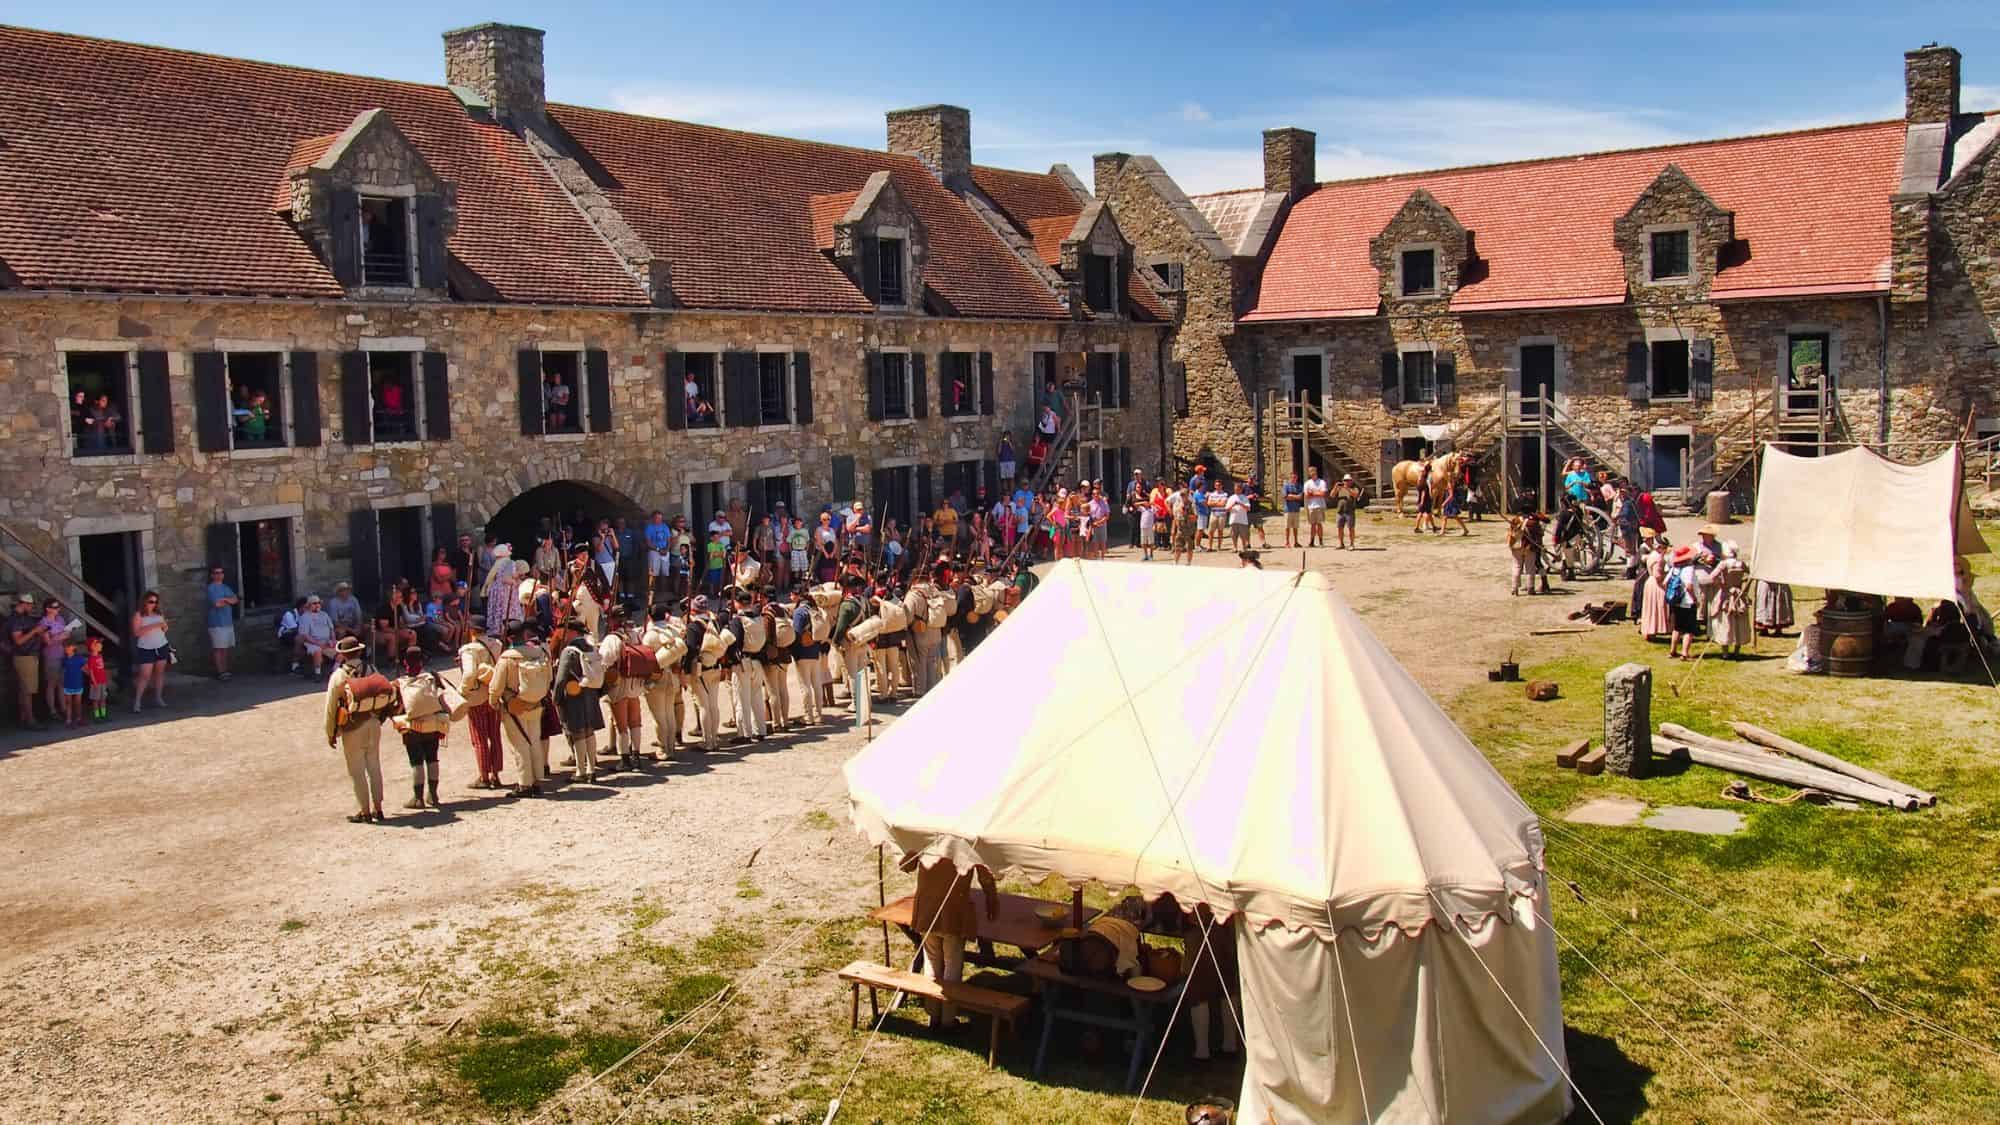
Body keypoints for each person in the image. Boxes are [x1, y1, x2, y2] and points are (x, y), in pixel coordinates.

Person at [900, 853, 999, 1029]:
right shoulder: (967, 842)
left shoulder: (928, 837)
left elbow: (906, 865)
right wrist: (992, 898)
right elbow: (985, 875)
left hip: (927, 911)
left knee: (932, 961)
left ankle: (934, 1015)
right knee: (952, 964)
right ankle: (947, 1021)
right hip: (953, 912)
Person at [324, 636, 387, 823]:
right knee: (374, 766)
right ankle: (379, 807)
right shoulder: (371, 669)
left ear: (343, 655)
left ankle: (364, 810)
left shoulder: (338, 676)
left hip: (352, 726)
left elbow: (330, 707)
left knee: (357, 770)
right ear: (359, 651)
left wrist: (330, 732)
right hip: (373, 722)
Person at [492, 621, 550, 797]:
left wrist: (494, 702)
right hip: (536, 702)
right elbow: (549, 677)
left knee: (519, 745)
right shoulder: (540, 653)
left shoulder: (508, 658)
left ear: (509, 637)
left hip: (514, 705)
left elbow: (496, 686)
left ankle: (524, 784)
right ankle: (537, 780)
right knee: (534, 741)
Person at [391, 646, 450, 810]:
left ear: (404, 663)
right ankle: (433, 794)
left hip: (412, 727)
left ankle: (418, 798)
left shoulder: (399, 682)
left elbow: (395, 705)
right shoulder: (432, 677)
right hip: (433, 723)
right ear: (422, 661)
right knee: (432, 757)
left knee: (416, 761)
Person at [552, 614, 606, 781]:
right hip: (590, 693)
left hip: (574, 696)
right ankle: (591, 770)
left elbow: (561, 679)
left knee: (578, 733)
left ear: (572, 632)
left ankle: (580, 772)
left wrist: (556, 698)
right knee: (589, 732)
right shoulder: (591, 647)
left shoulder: (569, 651)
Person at [458, 616, 506, 790]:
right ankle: (496, 774)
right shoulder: (496, 645)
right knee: (494, 736)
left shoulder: (469, 650)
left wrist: (462, 692)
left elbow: (470, 674)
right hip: (493, 693)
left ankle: (484, 776)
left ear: (471, 630)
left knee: (479, 739)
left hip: (477, 697)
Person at [830, 574, 872, 730]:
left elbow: (841, 626)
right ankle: (865, 701)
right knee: (862, 672)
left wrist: (835, 641)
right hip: (863, 640)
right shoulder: (864, 601)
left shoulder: (847, 604)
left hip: (850, 642)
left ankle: (856, 703)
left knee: (853, 674)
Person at [1706, 543, 1752, 656]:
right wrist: (1743, 585)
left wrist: (1722, 585)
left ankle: (1725, 651)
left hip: (1725, 595)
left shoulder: (1723, 564)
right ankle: (1737, 650)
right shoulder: (1741, 564)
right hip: (1738, 594)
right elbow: (1751, 575)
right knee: (1739, 621)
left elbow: (1712, 577)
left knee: (1725, 622)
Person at [788, 588, 825, 727]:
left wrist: (793, 652)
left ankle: (808, 716)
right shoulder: (815, 610)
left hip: (802, 652)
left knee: (805, 686)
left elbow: (796, 634)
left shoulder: (799, 612)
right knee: (816, 684)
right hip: (815, 650)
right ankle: (819, 715)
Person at [9, 595, 46, 728]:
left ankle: (24, 718)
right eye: (30, 605)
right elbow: (18, 641)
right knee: (27, 690)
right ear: (23, 604)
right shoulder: (16, 620)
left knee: (24, 689)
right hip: (24, 656)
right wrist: (34, 631)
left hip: (27, 656)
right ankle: (30, 720)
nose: (31, 607)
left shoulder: (23, 618)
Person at [130, 591, 170, 711]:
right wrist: (155, 625)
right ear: (145, 602)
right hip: (146, 648)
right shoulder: (138, 615)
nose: (154, 604)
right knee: (145, 675)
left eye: (156, 602)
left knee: (160, 673)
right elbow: (137, 632)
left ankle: (158, 698)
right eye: (151, 601)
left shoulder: (159, 614)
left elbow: (164, 629)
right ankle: (137, 701)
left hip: (161, 645)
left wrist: (164, 626)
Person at [200, 566, 239, 681]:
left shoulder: (225, 587)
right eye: (216, 573)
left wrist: (225, 600)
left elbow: (235, 600)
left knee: (225, 648)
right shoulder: (211, 588)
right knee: (218, 648)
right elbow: (217, 604)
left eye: (221, 572)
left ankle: (225, 670)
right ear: (212, 575)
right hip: (217, 623)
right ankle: (220, 671)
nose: (219, 575)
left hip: (227, 622)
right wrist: (228, 600)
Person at [1666, 545, 1703, 660]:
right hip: (1687, 602)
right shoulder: (1689, 569)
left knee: (1677, 627)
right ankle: (1684, 653)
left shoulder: (1674, 568)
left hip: (1676, 601)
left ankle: (1673, 651)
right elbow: (1689, 586)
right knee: (1689, 629)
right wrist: (1695, 599)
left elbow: (1665, 582)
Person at [1638, 532, 1672, 639]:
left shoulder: (1652, 555)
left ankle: (1648, 630)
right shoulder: (1659, 559)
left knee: (1649, 608)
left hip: (1650, 582)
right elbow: (1658, 575)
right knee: (1657, 607)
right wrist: (1666, 578)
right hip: (1656, 584)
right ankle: (1653, 630)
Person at [297, 594, 336, 676]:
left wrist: (333, 640)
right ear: (309, 605)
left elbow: (331, 629)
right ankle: (317, 674)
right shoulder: (305, 617)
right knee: (317, 650)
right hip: (312, 642)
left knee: (342, 648)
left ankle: (334, 672)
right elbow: (305, 635)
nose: (317, 605)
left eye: (318, 603)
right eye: (314, 603)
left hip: (326, 641)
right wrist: (318, 643)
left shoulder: (324, 614)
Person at [57, 637, 86, 728]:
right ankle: (68, 720)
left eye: (68, 646)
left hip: (78, 684)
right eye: (65, 647)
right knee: (68, 703)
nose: (66, 648)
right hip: (67, 685)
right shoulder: (64, 660)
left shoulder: (80, 658)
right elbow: (62, 671)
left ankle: (78, 718)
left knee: (78, 703)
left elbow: (85, 669)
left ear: (74, 647)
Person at [83, 635, 110, 722]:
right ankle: (97, 716)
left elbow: (102, 669)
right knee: (96, 700)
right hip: (96, 683)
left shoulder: (100, 656)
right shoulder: (91, 659)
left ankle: (104, 715)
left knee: (103, 699)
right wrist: (94, 682)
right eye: (98, 644)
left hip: (103, 681)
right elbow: (90, 672)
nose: (101, 645)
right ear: (93, 646)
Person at [1301, 466, 1329, 548]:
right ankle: (1312, 542)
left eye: (1313, 471)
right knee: (1312, 525)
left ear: (1316, 472)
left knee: (1319, 524)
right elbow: (1306, 495)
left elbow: (1323, 494)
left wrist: (1312, 493)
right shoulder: (1307, 483)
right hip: (1311, 506)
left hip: (1320, 505)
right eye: (1310, 471)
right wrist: (1317, 493)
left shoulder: (1322, 482)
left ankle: (1321, 541)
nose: (1312, 472)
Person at [1333, 474, 1360, 551]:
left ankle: (1352, 544)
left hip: (1350, 511)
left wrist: (1347, 488)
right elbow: (1332, 495)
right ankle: (1341, 543)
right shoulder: (1339, 489)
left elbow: (1355, 495)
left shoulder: (1354, 488)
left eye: (1348, 480)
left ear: (1351, 481)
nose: (1346, 482)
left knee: (1351, 528)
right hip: (1340, 511)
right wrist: (1335, 487)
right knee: (1340, 528)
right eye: (1345, 480)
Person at [1226, 483, 1253, 551]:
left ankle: (1244, 547)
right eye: (1235, 489)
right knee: (1233, 535)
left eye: (1238, 489)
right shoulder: (1231, 497)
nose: (1236, 490)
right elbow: (1227, 509)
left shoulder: (1245, 497)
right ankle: (1235, 547)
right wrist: (1232, 505)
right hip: (1233, 519)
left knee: (1243, 535)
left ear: (1241, 489)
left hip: (1242, 520)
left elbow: (1248, 509)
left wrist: (1240, 504)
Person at [1280, 472, 1303, 548]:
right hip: (1288, 509)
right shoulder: (1286, 486)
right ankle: (1287, 542)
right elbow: (1285, 496)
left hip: (1296, 509)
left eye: (1295, 477)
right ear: (1290, 478)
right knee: (1287, 527)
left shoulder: (1299, 486)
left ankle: (1296, 542)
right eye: (1292, 477)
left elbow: (1301, 496)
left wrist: (1291, 496)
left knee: (1295, 527)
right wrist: (1295, 496)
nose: (1294, 479)